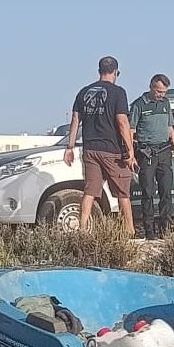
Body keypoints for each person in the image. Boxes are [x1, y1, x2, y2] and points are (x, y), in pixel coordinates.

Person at [64, 56, 135, 234]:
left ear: (99, 71)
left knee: (90, 191)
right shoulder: (118, 92)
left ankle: (82, 228)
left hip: (90, 149)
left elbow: (75, 119)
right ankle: (129, 230)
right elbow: (122, 122)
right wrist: (130, 150)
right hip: (111, 149)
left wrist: (70, 147)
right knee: (122, 192)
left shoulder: (83, 92)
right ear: (116, 72)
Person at [128, 74, 174, 239]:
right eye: (159, 91)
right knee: (148, 192)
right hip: (147, 153)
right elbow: (131, 131)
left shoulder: (166, 103)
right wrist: (131, 154)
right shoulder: (139, 104)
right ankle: (149, 231)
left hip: (164, 152)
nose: (161, 95)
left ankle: (165, 229)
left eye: (164, 92)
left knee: (166, 191)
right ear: (151, 86)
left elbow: (170, 128)